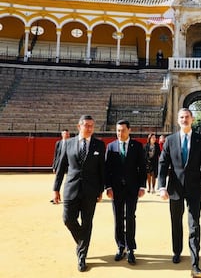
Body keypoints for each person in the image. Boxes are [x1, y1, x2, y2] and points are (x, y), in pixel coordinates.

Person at [158, 108, 201, 278]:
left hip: (195, 188)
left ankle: (195, 263)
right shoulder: (170, 140)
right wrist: (161, 186)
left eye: (187, 117)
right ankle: (177, 251)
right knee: (176, 222)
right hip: (175, 188)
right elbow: (163, 164)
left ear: (192, 119)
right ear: (177, 120)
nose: (184, 119)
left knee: (194, 224)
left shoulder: (200, 140)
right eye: (181, 117)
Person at [52, 115, 105, 272]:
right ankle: (82, 242)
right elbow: (61, 168)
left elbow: (102, 169)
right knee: (68, 219)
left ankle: (81, 256)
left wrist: (101, 190)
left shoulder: (99, 145)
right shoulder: (67, 144)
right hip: (71, 188)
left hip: (90, 190)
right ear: (79, 126)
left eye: (92, 126)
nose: (89, 128)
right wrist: (56, 189)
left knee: (87, 222)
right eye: (86, 125)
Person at [105, 119, 147, 265]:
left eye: (122, 130)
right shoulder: (111, 147)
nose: (120, 133)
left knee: (130, 217)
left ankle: (130, 248)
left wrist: (142, 186)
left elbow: (142, 167)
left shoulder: (137, 146)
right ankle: (120, 246)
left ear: (129, 130)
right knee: (117, 217)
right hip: (116, 189)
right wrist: (108, 187)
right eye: (117, 130)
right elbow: (107, 170)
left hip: (132, 188)